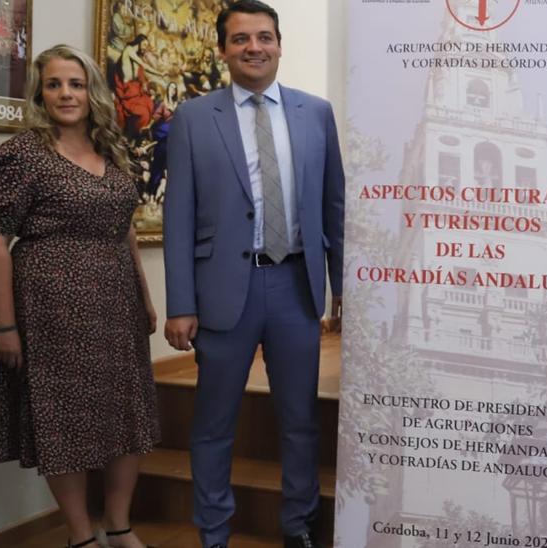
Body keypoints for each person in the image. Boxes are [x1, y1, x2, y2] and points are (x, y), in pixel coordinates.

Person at [162, 1, 344, 546]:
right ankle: (213, 532)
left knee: (300, 421)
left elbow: (334, 209)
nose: (254, 48)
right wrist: (179, 302)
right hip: (222, 293)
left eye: (264, 37)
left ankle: (298, 528)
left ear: (280, 44)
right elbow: (179, 215)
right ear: (223, 50)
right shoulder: (195, 117)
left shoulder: (316, 112)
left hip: (296, 287)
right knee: (213, 423)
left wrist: (345, 294)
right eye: (240, 39)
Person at [0, 44, 159, 548]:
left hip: (117, 304)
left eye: (75, 83)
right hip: (51, 309)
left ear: (90, 90)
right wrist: (5, 325)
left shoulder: (111, 148)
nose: (65, 94)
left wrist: (143, 297)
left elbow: (125, 232)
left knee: (127, 412)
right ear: (39, 93)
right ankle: (81, 536)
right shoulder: (25, 153)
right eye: (53, 84)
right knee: (64, 419)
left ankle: (119, 527)